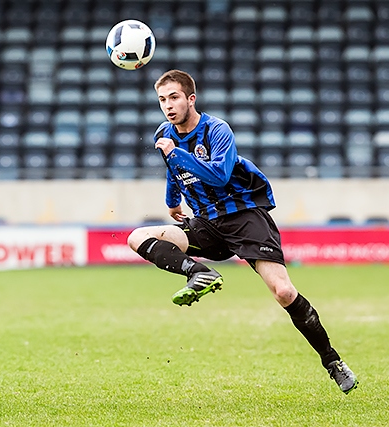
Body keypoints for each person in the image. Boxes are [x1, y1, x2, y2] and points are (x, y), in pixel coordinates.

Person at [127, 69, 358, 394]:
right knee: (136, 237)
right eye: (162, 99)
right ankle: (199, 274)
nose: (168, 105)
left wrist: (175, 153)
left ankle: (333, 362)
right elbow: (172, 169)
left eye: (174, 97)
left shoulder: (217, 129)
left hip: (244, 217)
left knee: (284, 293)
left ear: (191, 99)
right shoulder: (165, 133)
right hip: (206, 223)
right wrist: (172, 201)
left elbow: (220, 175)